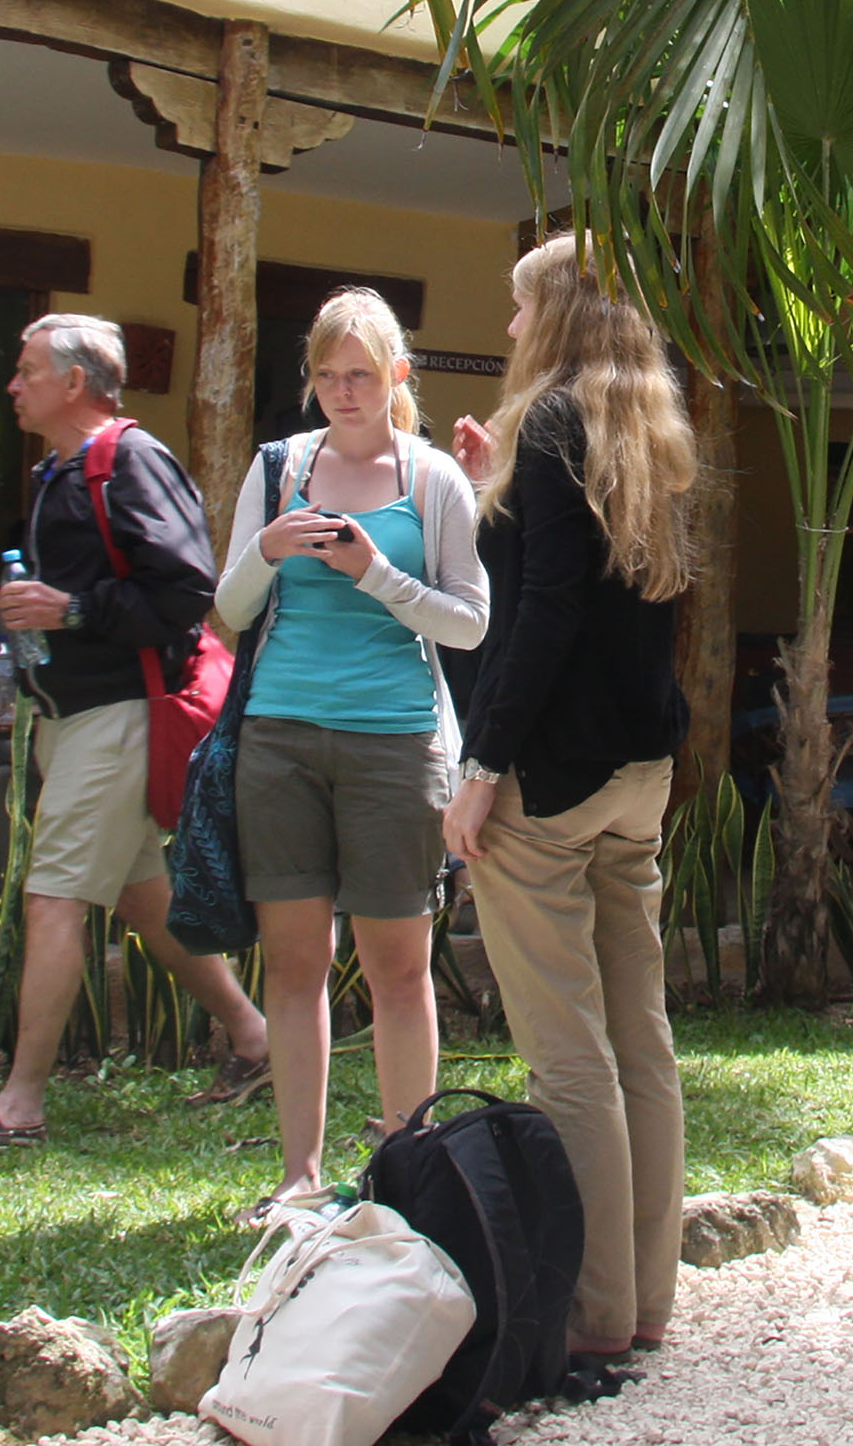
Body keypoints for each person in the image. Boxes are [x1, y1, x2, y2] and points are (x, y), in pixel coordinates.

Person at [0, 315, 271, 1155]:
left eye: (26, 369)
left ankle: (18, 1108)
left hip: (120, 718)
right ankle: (254, 1041)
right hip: (76, 720)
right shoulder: (61, 472)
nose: (12, 384)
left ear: (74, 383)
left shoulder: (130, 460)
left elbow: (186, 591)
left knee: (54, 897)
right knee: (147, 901)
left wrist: (72, 609)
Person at [444, 235, 698, 1361]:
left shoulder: (547, 421)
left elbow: (542, 612)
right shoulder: (640, 424)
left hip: (548, 778)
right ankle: (645, 1302)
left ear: (552, 311)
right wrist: (489, 486)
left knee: (569, 1057)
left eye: (515, 306)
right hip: (639, 773)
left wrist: (480, 768)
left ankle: (592, 1320)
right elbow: (587, 586)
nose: (506, 328)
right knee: (637, 1038)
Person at [215, 288, 489, 1215]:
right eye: (327, 377)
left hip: (396, 741)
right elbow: (227, 609)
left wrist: (374, 573)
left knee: (397, 967)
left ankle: (407, 1177)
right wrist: (270, 547)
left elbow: (469, 623)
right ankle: (298, 1176)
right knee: (293, 965)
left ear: (397, 378)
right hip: (281, 736)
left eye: (360, 376)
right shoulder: (280, 467)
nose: (342, 392)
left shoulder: (434, 478)